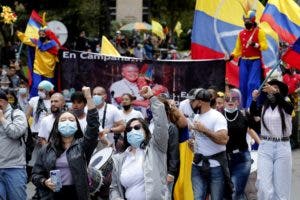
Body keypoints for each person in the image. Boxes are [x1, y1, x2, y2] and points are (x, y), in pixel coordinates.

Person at [31, 86, 99, 200]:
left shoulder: (82, 146)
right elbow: (35, 175)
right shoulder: (46, 149)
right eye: (63, 120)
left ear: (76, 126)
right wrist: (44, 182)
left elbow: (93, 126)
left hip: (77, 194)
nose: (67, 122)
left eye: (71, 120)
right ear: (57, 126)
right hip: (53, 195)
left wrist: (88, 97)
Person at [110, 86, 170, 199]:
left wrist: (151, 98)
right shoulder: (119, 159)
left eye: (137, 127)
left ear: (146, 132)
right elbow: (114, 188)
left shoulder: (156, 148)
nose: (133, 131)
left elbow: (161, 124)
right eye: (129, 129)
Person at [250, 79, 293, 200]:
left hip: (282, 146)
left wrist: (276, 92)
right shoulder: (264, 106)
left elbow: (289, 108)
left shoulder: (286, 103)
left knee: (281, 189)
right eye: (270, 89)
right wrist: (254, 99)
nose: (272, 91)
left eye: (276, 89)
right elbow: (253, 114)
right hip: (265, 146)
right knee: (264, 186)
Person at [191, 88, 232, 200]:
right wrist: (193, 144)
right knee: (197, 197)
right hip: (197, 164)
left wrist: (205, 130)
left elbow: (224, 140)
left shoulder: (217, 117)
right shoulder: (196, 117)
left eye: (193, 101)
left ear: (200, 102)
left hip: (215, 166)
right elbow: (200, 140)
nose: (191, 103)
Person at [224, 88, 260, 199]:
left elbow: (250, 129)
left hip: (242, 159)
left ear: (238, 101)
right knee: (227, 193)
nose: (230, 101)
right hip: (223, 159)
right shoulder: (218, 116)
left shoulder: (244, 115)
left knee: (235, 190)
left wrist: (260, 143)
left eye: (234, 99)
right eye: (227, 99)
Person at [228, 10, 268, 108]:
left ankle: (251, 107)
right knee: (243, 85)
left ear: (253, 20)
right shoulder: (241, 33)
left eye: (248, 21)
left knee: (252, 84)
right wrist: (231, 56)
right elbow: (238, 49)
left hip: (255, 61)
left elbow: (264, 46)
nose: (246, 23)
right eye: (245, 21)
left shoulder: (259, 31)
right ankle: (243, 107)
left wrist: (254, 44)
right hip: (244, 61)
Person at [0, 89, 28, 200]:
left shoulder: (17, 113)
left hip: (14, 168)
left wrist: (2, 119)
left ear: (1, 102)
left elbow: (16, 132)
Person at [17, 26, 60, 97]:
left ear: (47, 35)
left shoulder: (54, 45)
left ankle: (49, 102)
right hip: (38, 68)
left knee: (48, 88)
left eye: (43, 34)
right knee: (36, 85)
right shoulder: (37, 42)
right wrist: (19, 34)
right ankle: (33, 100)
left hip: (49, 70)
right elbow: (26, 40)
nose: (41, 36)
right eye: (40, 34)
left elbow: (57, 55)